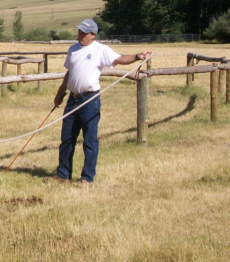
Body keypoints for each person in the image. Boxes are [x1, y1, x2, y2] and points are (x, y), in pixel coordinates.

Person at [46, 19, 151, 185]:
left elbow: (120, 59)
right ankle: (63, 174)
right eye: (79, 31)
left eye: (83, 32)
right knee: (67, 138)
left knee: (89, 140)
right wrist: (60, 94)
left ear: (92, 35)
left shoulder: (100, 50)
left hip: (90, 100)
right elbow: (69, 74)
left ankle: (87, 178)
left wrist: (138, 56)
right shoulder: (72, 50)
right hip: (73, 100)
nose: (79, 35)